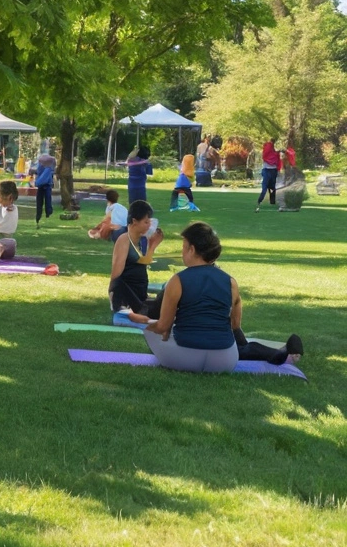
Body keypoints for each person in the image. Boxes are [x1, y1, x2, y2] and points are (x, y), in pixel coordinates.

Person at [137, 222, 239, 372]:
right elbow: (235, 325)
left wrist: (145, 324)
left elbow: (163, 326)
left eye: (184, 247)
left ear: (192, 249)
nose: (182, 252)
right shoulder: (231, 282)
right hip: (225, 360)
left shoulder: (178, 280)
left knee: (149, 329)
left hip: (185, 358)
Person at [109, 200, 165, 319]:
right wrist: (114, 299)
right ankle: (137, 310)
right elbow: (116, 277)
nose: (149, 225)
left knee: (167, 295)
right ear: (134, 221)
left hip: (139, 295)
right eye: (146, 222)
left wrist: (152, 245)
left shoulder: (138, 240)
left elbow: (142, 263)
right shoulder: (124, 240)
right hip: (129, 298)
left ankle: (143, 308)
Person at [29, 151, 56, 227]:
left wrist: (35, 180)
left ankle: (45, 214)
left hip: (45, 185)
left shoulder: (48, 168)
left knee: (43, 201)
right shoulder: (46, 167)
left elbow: (41, 175)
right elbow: (39, 172)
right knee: (44, 201)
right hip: (45, 186)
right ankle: (42, 215)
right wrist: (33, 172)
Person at [256, 138, 280, 211]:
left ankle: (264, 199)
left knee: (271, 186)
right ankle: (262, 199)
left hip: (270, 171)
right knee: (269, 186)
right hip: (269, 170)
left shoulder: (273, 153)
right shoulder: (270, 152)